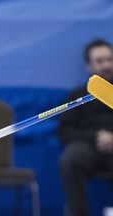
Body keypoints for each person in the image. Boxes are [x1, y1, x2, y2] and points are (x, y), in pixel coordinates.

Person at [58, 39, 113, 216]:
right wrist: (96, 137)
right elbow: (64, 131)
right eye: (99, 61)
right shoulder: (77, 96)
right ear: (89, 66)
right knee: (70, 159)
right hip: (87, 147)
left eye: (109, 59)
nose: (106, 65)